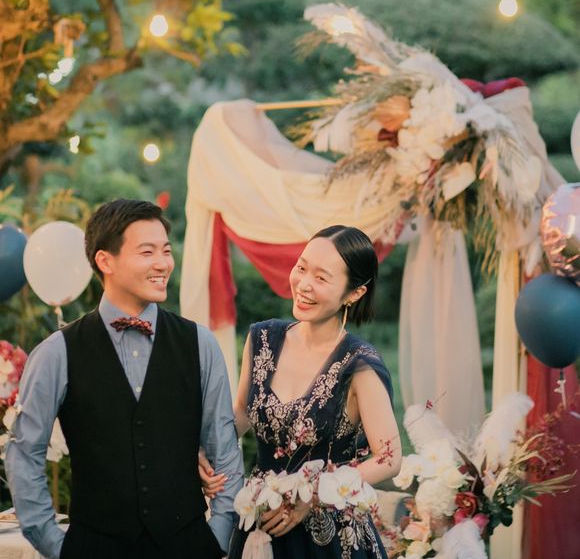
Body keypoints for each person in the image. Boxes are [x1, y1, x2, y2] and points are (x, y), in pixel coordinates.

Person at [5, 199, 244, 559]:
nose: (163, 263)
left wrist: (219, 535)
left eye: (166, 251)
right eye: (147, 252)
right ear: (105, 261)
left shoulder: (200, 343)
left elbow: (223, 449)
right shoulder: (57, 351)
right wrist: (58, 545)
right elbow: (24, 453)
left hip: (189, 546)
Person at [202, 225, 402, 558]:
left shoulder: (359, 365)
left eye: (321, 278)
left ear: (354, 293)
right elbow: (242, 412)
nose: (304, 284)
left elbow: (389, 458)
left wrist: (314, 495)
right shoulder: (262, 339)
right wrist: (203, 449)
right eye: (302, 267)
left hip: (329, 536)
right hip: (261, 522)